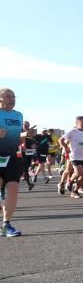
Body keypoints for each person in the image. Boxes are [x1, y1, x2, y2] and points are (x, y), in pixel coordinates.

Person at [0, 88, 25, 236]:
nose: (12, 99)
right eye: (8, 96)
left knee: (13, 189)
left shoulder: (18, 115)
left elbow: (16, 133)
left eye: (13, 96)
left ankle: (6, 224)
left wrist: (24, 135)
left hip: (12, 157)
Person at [60, 116, 83, 200]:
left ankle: (75, 191)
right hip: (74, 156)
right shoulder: (72, 131)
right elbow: (60, 140)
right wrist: (65, 147)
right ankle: (69, 182)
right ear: (77, 123)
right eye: (82, 122)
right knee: (78, 172)